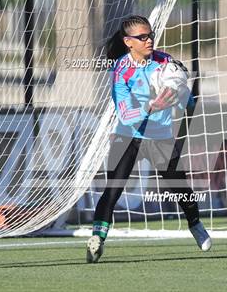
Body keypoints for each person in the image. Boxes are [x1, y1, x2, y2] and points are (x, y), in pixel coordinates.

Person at [86, 15, 211, 263]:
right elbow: (124, 113)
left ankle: (195, 224)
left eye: (150, 35)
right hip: (127, 135)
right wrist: (150, 106)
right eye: (142, 37)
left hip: (159, 137)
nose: (149, 40)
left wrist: (187, 97)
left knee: (181, 187)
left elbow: (179, 88)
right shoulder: (121, 70)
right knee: (112, 189)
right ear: (128, 42)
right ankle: (97, 240)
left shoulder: (165, 61)